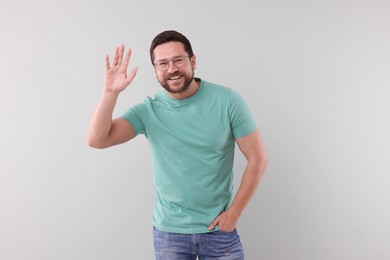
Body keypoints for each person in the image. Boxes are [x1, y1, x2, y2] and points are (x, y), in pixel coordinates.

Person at [87, 30, 268, 259]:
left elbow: (259, 158)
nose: (171, 69)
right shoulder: (148, 110)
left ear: (193, 61)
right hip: (169, 233)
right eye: (162, 63)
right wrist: (110, 93)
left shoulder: (228, 101)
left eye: (178, 60)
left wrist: (234, 213)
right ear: (155, 70)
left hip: (219, 230)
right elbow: (97, 139)